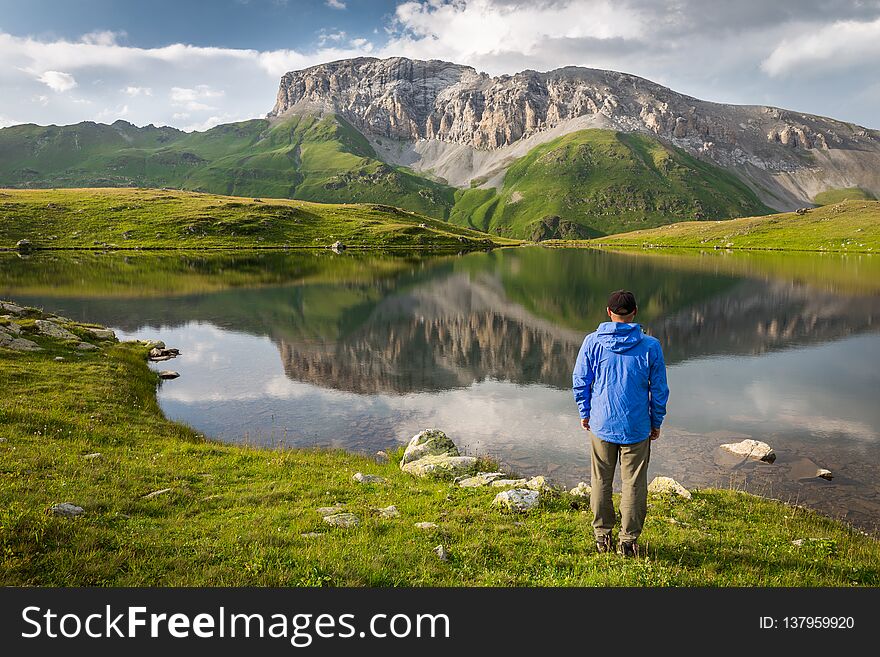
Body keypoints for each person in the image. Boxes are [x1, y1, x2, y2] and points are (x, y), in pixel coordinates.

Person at [572, 290, 669, 557]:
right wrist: (656, 420)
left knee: (601, 480)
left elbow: (581, 381)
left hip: (601, 423)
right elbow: (659, 389)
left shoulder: (592, 342)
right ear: (635, 312)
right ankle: (628, 542)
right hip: (637, 426)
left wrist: (585, 412)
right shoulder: (651, 346)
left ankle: (602, 537)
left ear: (608, 313)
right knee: (634, 483)